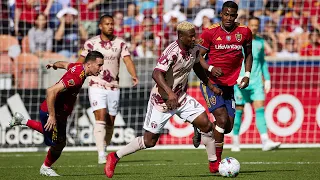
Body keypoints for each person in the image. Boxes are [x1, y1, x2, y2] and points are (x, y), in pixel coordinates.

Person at [104, 21, 223, 178]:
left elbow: (197, 67)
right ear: (181, 36)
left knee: (206, 124)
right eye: (191, 36)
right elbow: (156, 73)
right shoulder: (171, 52)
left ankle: (213, 163)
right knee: (149, 141)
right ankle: (115, 156)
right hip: (162, 101)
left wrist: (210, 85)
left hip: (180, 97)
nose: (194, 38)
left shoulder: (193, 48)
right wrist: (169, 93)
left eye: (195, 35)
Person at [9, 51, 104, 176]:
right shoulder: (76, 78)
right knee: (58, 143)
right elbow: (51, 91)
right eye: (99, 65)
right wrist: (52, 116)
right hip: (53, 112)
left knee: (57, 139)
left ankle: (22, 121)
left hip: (60, 113)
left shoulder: (78, 67)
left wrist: (54, 65)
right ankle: (45, 168)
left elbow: (65, 64)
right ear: (89, 64)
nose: (101, 69)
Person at [193, 1, 253, 168]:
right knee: (221, 118)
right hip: (211, 83)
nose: (229, 18)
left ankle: (201, 129)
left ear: (236, 16)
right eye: (226, 14)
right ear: (221, 14)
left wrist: (246, 75)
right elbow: (197, 56)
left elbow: (249, 54)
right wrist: (211, 68)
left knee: (227, 127)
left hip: (229, 85)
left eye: (232, 15)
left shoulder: (244, 32)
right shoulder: (210, 32)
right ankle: (216, 163)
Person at [77, 14, 139, 164]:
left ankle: (104, 147)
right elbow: (80, 60)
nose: (110, 26)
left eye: (112, 23)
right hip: (96, 85)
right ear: (100, 26)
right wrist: (75, 75)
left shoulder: (120, 43)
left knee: (111, 121)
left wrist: (134, 75)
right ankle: (100, 154)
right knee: (100, 116)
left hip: (113, 87)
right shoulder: (91, 43)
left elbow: (127, 60)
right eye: (107, 24)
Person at [232, 17, 281, 152]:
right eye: (252, 25)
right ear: (248, 26)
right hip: (240, 81)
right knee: (238, 112)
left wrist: (268, 78)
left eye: (256, 25)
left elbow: (262, 62)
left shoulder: (260, 42)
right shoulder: (240, 41)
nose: (254, 27)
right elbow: (234, 60)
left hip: (256, 82)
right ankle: (235, 141)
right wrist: (235, 76)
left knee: (260, 109)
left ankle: (265, 141)